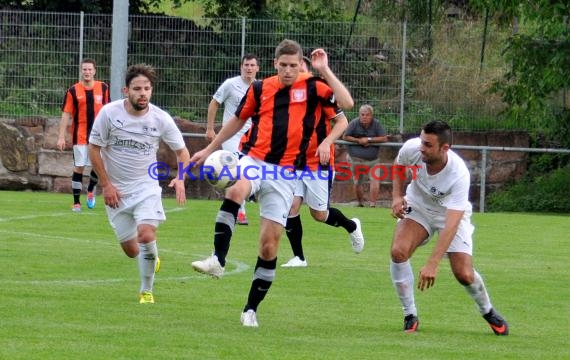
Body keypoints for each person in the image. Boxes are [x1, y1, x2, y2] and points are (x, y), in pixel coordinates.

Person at [190, 39, 350, 327]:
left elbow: (347, 105)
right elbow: (238, 121)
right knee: (237, 188)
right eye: (283, 65)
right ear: (275, 64)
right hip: (254, 160)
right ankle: (217, 259)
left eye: (293, 65)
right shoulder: (260, 88)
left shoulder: (314, 86)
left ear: (299, 64)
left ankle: (250, 309)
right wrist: (211, 147)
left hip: (287, 173)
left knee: (268, 246)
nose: (288, 71)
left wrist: (324, 70)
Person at [389, 120, 509, 335]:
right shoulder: (412, 148)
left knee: (464, 274)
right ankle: (410, 315)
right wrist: (397, 196)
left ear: (444, 148)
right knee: (398, 252)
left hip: (449, 216)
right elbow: (398, 165)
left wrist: (432, 263)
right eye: (422, 141)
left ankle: (488, 310)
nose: (421, 148)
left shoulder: (459, 174)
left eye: (428, 145)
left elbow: (451, 224)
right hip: (418, 206)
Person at [88, 64, 191, 304]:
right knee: (132, 250)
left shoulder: (160, 118)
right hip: (117, 191)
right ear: (126, 90)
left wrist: (181, 179)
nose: (142, 93)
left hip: (146, 187)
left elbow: (182, 152)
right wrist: (107, 185)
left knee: (146, 235)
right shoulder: (109, 114)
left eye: (146, 88)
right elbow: (93, 149)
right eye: (137, 89)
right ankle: (151, 259)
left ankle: (146, 292)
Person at [282, 49, 364, 268]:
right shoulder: (283, 93)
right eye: (289, 67)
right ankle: (299, 257)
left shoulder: (318, 91)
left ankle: (351, 226)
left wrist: (327, 141)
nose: (294, 73)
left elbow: (346, 111)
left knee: (319, 214)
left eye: (300, 68)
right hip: (292, 162)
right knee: (290, 207)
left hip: (318, 163)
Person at [205, 54, 260, 225]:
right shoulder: (231, 84)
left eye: (252, 65)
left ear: (257, 68)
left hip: (252, 138)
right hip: (231, 136)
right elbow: (214, 103)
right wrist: (210, 128)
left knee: (247, 173)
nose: (249, 68)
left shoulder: (261, 87)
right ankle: (240, 212)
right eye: (246, 65)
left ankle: (240, 205)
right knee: (235, 170)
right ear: (241, 67)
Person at [57, 58, 110, 212]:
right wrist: (61, 137)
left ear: (94, 71)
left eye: (89, 69)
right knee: (79, 166)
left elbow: (109, 112)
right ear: (81, 71)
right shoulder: (73, 90)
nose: (87, 72)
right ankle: (76, 202)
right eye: (84, 69)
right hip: (79, 135)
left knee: (97, 165)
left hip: (99, 135)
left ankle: (91, 190)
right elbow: (66, 114)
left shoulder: (103, 88)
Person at [342, 104, 388, 207]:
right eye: (362, 115)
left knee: (375, 180)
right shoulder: (354, 123)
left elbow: (384, 138)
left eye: (367, 115)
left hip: (373, 160)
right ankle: (360, 203)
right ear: (359, 115)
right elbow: (345, 136)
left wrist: (369, 140)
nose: (364, 117)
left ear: (371, 115)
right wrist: (358, 140)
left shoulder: (376, 124)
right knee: (358, 182)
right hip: (356, 160)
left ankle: (372, 205)